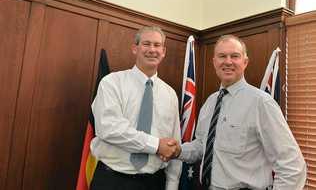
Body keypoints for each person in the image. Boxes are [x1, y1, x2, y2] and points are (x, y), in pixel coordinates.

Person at [170, 35, 306, 190]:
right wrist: (179, 150)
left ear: (245, 62)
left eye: (234, 56)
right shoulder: (210, 103)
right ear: (214, 62)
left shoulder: (261, 103)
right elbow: (202, 146)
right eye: (222, 56)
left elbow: (293, 167)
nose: (228, 61)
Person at [90, 26, 182, 190]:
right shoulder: (112, 83)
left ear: (163, 51)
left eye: (157, 45)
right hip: (112, 181)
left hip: (154, 183)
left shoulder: (170, 94)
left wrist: (172, 184)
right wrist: (156, 145)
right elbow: (109, 128)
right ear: (135, 48)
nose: (152, 50)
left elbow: (174, 143)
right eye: (146, 44)